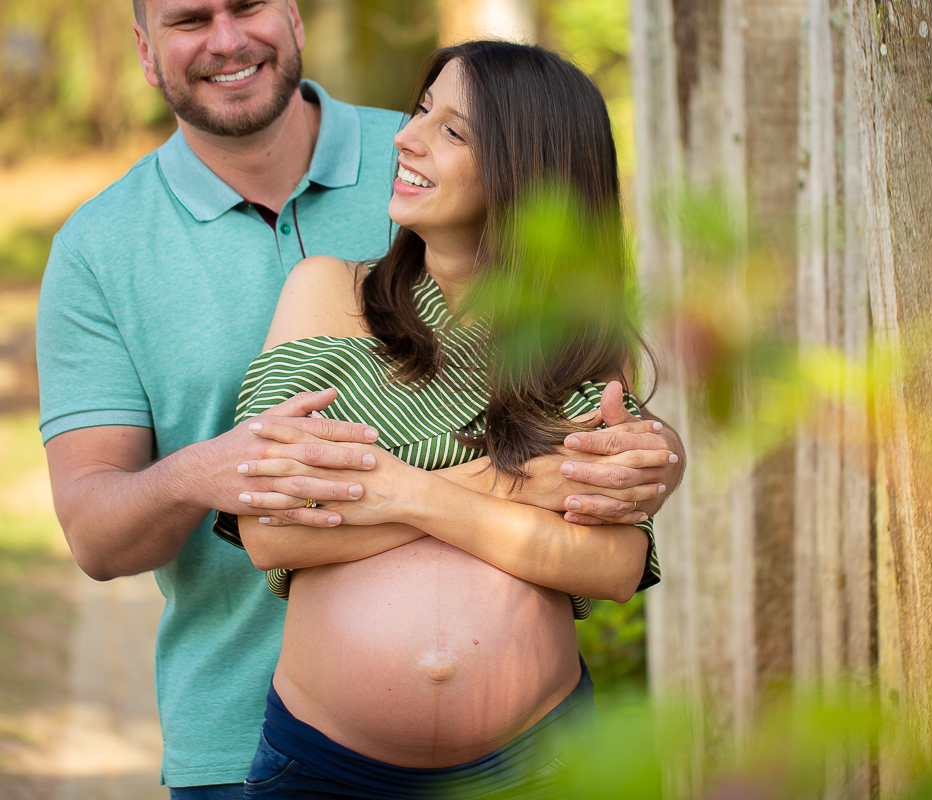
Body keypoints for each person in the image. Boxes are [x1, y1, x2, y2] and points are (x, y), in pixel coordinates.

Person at [34, 1, 685, 797]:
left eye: (248, 4)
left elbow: (615, 536)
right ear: (143, 48)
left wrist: (659, 454)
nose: (228, 38)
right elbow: (182, 532)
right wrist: (510, 485)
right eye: (191, 18)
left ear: (294, 14)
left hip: (537, 755)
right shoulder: (104, 248)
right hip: (266, 743)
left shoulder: (419, 157)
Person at [217, 43, 659, 799]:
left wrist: (397, 491)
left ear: (528, 174)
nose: (405, 137)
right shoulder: (328, 294)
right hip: (326, 773)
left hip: (541, 766)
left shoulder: (574, 339)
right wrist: (511, 487)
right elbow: (270, 532)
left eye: (452, 131)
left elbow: (612, 566)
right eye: (422, 110)